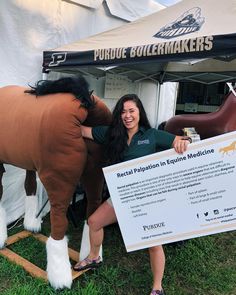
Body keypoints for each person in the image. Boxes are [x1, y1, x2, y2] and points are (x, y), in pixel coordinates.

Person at [74, 94, 191, 295]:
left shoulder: (152, 135)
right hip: (122, 196)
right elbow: (83, 131)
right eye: (123, 111)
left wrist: (184, 141)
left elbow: (182, 140)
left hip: (146, 199)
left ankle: (157, 288)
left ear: (139, 113)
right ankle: (94, 257)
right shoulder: (111, 134)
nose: (127, 115)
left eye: (131, 111)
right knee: (94, 222)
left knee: (154, 242)